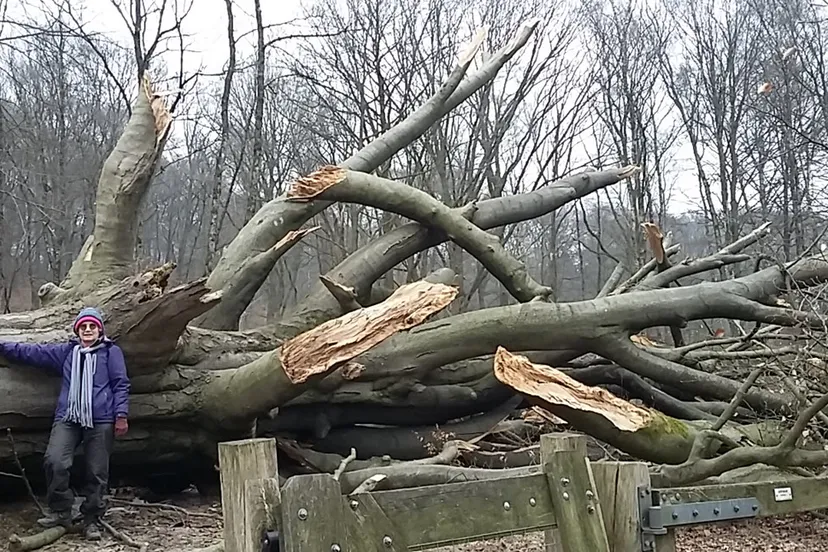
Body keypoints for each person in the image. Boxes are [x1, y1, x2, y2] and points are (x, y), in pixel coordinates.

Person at [0, 307, 130, 540]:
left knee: (97, 471)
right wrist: (3, 345)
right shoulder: (67, 352)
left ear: (100, 330)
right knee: (55, 460)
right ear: (78, 330)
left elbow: (120, 384)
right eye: (83, 326)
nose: (88, 330)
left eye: (92, 326)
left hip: (101, 419)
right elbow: (32, 352)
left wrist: (121, 415)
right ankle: (61, 510)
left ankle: (92, 519)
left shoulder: (111, 353)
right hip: (68, 417)